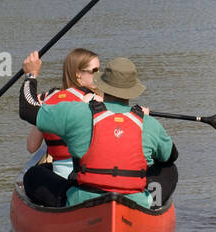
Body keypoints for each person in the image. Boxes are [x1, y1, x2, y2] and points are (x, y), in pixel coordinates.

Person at [19, 52, 177, 209]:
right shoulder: (147, 122)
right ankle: (151, 206)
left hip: (83, 200)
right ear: (133, 90)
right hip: (133, 202)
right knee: (168, 168)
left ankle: (66, 207)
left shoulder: (78, 111)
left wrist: (31, 75)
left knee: (33, 175)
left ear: (103, 84)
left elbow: (28, 110)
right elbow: (171, 156)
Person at [21, 48, 102, 207]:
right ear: (78, 73)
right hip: (89, 174)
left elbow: (31, 147)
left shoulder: (47, 100)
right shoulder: (96, 100)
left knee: (34, 174)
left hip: (61, 173)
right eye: (94, 71)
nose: (99, 75)